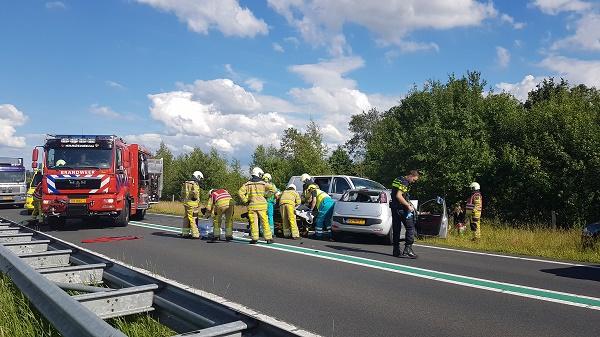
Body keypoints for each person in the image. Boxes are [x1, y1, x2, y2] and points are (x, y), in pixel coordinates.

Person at [238, 167, 276, 244]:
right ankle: (268, 238)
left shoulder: (247, 184)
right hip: (262, 206)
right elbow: (273, 190)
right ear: (258, 174)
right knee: (265, 221)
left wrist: (246, 200)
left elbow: (240, 192)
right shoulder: (263, 183)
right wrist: (267, 195)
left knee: (253, 222)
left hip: (252, 206)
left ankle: (254, 238)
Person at [390, 170, 420, 258]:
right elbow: (399, 196)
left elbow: (396, 194)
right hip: (402, 209)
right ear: (411, 176)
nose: (413, 182)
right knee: (410, 228)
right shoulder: (405, 182)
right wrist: (408, 205)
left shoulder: (398, 179)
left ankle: (396, 250)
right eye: (414, 180)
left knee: (396, 229)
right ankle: (408, 249)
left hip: (394, 208)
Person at [181, 171, 203, 239]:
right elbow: (195, 192)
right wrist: (195, 198)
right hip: (193, 203)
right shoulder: (194, 184)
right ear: (197, 176)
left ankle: (185, 233)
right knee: (193, 218)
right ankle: (195, 234)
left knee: (186, 217)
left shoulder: (186, 183)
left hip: (186, 202)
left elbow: (182, 193)